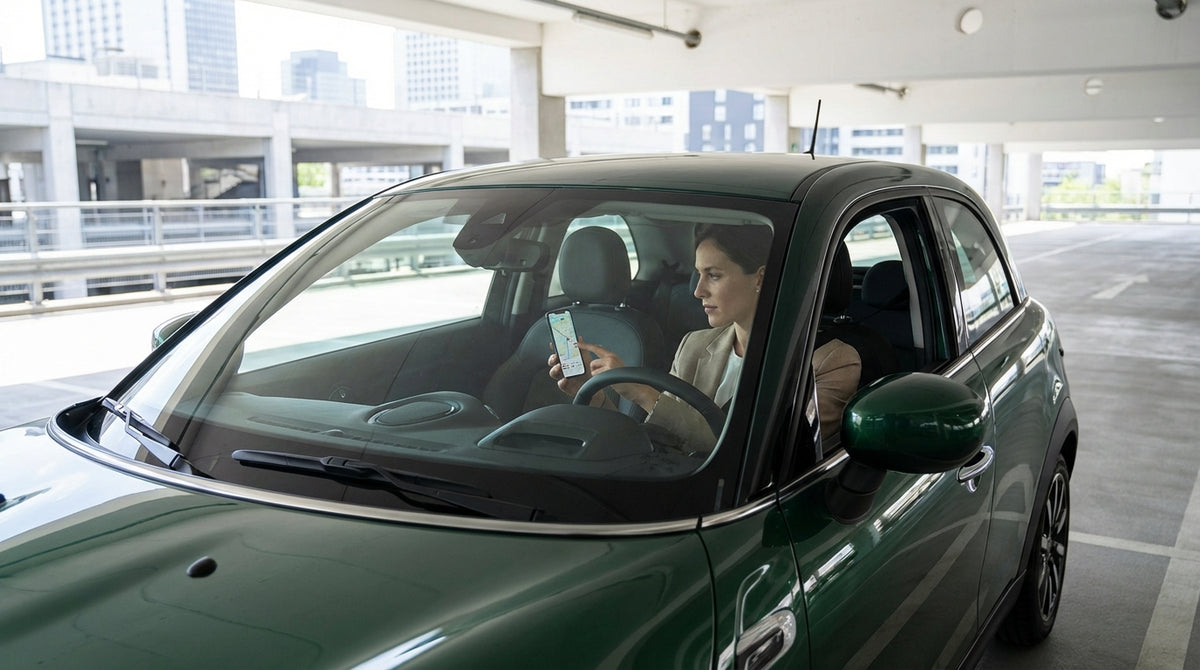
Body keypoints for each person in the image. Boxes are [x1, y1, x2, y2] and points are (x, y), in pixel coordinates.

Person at [548, 224, 861, 453]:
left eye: (713, 275)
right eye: (698, 275)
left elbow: (763, 463)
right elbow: (659, 444)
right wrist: (595, 394)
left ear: (761, 278)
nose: (697, 291)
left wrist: (643, 393)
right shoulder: (694, 345)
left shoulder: (829, 362)